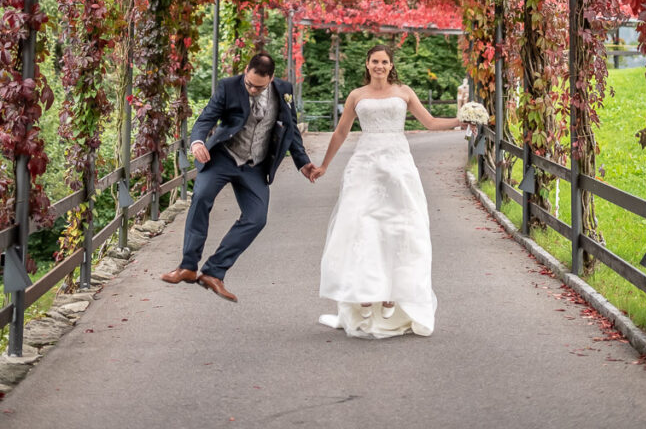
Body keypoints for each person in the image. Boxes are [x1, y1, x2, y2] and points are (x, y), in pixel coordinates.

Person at [311, 44, 468, 338]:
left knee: (400, 227)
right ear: (367, 64)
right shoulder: (357, 96)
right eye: (374, 61)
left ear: (391, 65)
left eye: (384, 61)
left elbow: (431, 122)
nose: (379, 66)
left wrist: (461, 121)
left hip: (398, 166)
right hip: (366, 165)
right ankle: (365, 291)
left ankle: (392, 295)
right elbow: (341, 132)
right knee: (362, 227)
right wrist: (324, 166)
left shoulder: (404, 92)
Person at [161, 52, 316, 301]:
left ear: (271, 79)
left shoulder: (284, 91)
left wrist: (303, 163)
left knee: (257, 218)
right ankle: (188, 267)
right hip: (223, 157)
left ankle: (214, 272)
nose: (252, 89)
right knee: (200, 198)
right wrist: (198, 142)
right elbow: (206, 118)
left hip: (255, 165)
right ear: (245, 71)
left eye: (259, 86)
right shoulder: (228, 86)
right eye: (249, 83)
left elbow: (291, 131)